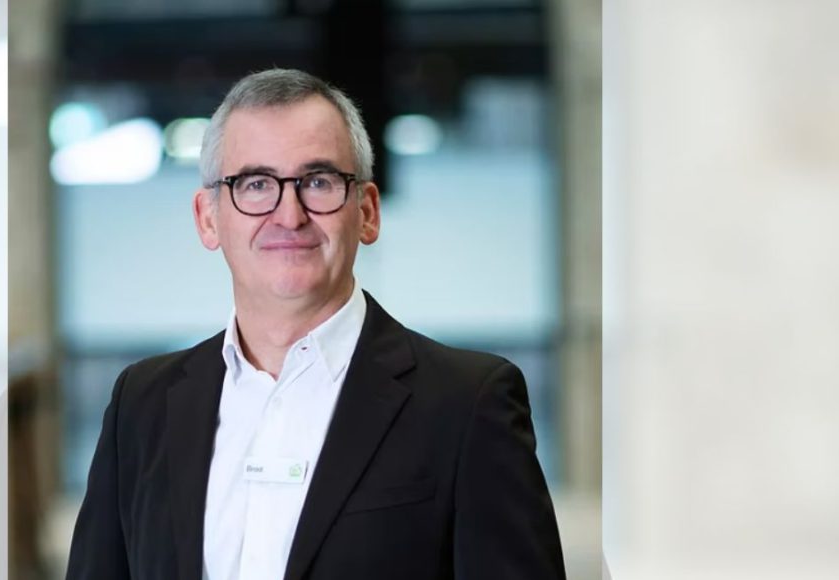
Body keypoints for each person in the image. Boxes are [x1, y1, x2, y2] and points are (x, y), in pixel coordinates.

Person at [65, 68, 565, 580]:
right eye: (255, 184)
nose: (289, 215)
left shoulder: (466, 405)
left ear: (367, 212)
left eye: (318, 182)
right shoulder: (141, 405)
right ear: (208, 218)